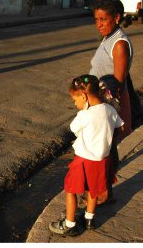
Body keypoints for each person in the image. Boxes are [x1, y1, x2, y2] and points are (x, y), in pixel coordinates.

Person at [48, 75, 125, 236]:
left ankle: (69, 224)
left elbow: (74, 129)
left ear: (83, 96)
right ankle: (89, 219)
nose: (75, 104)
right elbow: (120, 126)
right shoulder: (110, 109)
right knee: (93, 190)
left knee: (70, 189)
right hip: (103, 160)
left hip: (84, 160)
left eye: (75, 100)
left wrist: (84, 113)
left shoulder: (85, 115)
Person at [88, 0, 143, 205]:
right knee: (105, 148)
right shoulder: (110, 38)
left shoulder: (119, 43)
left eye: (103, 19)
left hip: (109, 105)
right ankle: (104, 189)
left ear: (117, 18)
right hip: (100, 103)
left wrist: (106, 114)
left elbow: (118, 85)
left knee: (106, 148)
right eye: (96, 19)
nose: (99, 24)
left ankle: (105, 192)